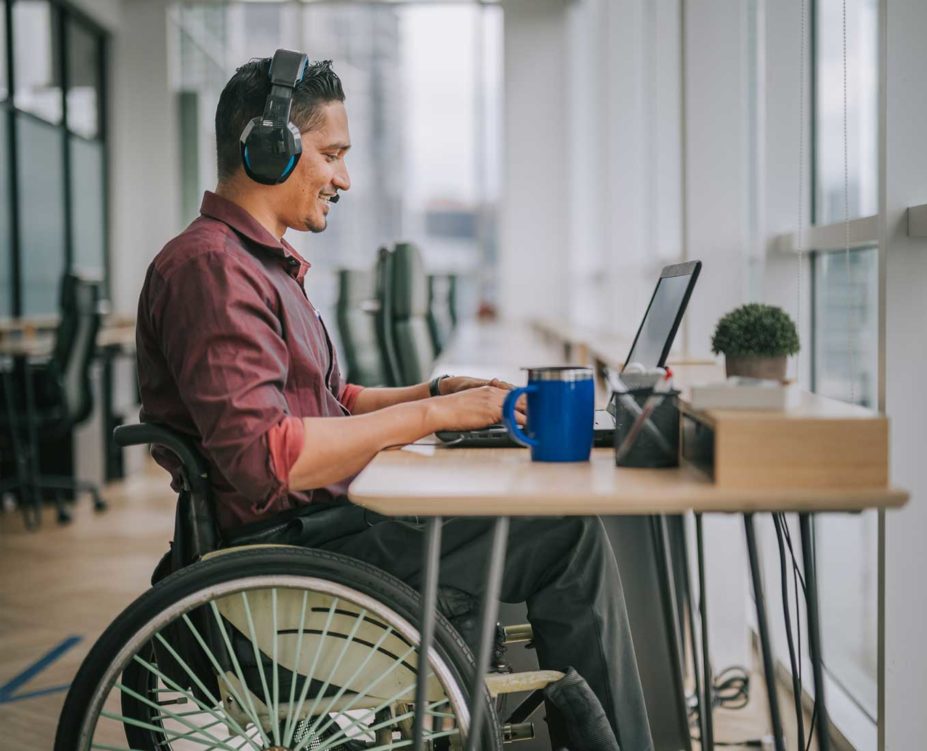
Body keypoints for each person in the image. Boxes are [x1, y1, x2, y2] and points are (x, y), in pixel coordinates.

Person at [136, 54, 653, 750]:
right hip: (293, 554)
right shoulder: (213, 268)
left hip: (325, 528)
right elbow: (268, 459)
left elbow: (331, 400)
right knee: (565, 534)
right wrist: (433, 417)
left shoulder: (256, 263)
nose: (344, 179)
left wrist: (439, 392)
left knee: (548, 523)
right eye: (331, 155)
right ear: (270, 148)